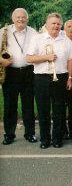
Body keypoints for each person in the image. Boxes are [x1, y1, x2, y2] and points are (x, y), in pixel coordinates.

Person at [26, 13, 72, 149]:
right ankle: (45, 139)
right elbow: (29, 58)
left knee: (59, 110)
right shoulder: (37, 39)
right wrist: (46, 57)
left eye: (58, 24)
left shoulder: (65, 40)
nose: (56, 26)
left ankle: (57, 139)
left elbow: (70, 60)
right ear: (47, 24)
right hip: (41, 78)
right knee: (43, 110)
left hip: (60, 78)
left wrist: (70, 78)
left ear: (61, 26)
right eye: (53, 23)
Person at [0, 8, 38, 145]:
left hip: (29, 72)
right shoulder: (4, 32)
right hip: (11, 72)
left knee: (28, 104)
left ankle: (30, 133)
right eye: (18, 17)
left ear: (27, 19)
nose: (21, 19)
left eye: (23, 17)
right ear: (13, 18)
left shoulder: (33, 32)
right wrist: (1, 60)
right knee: (10, 105)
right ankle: (9, 134)